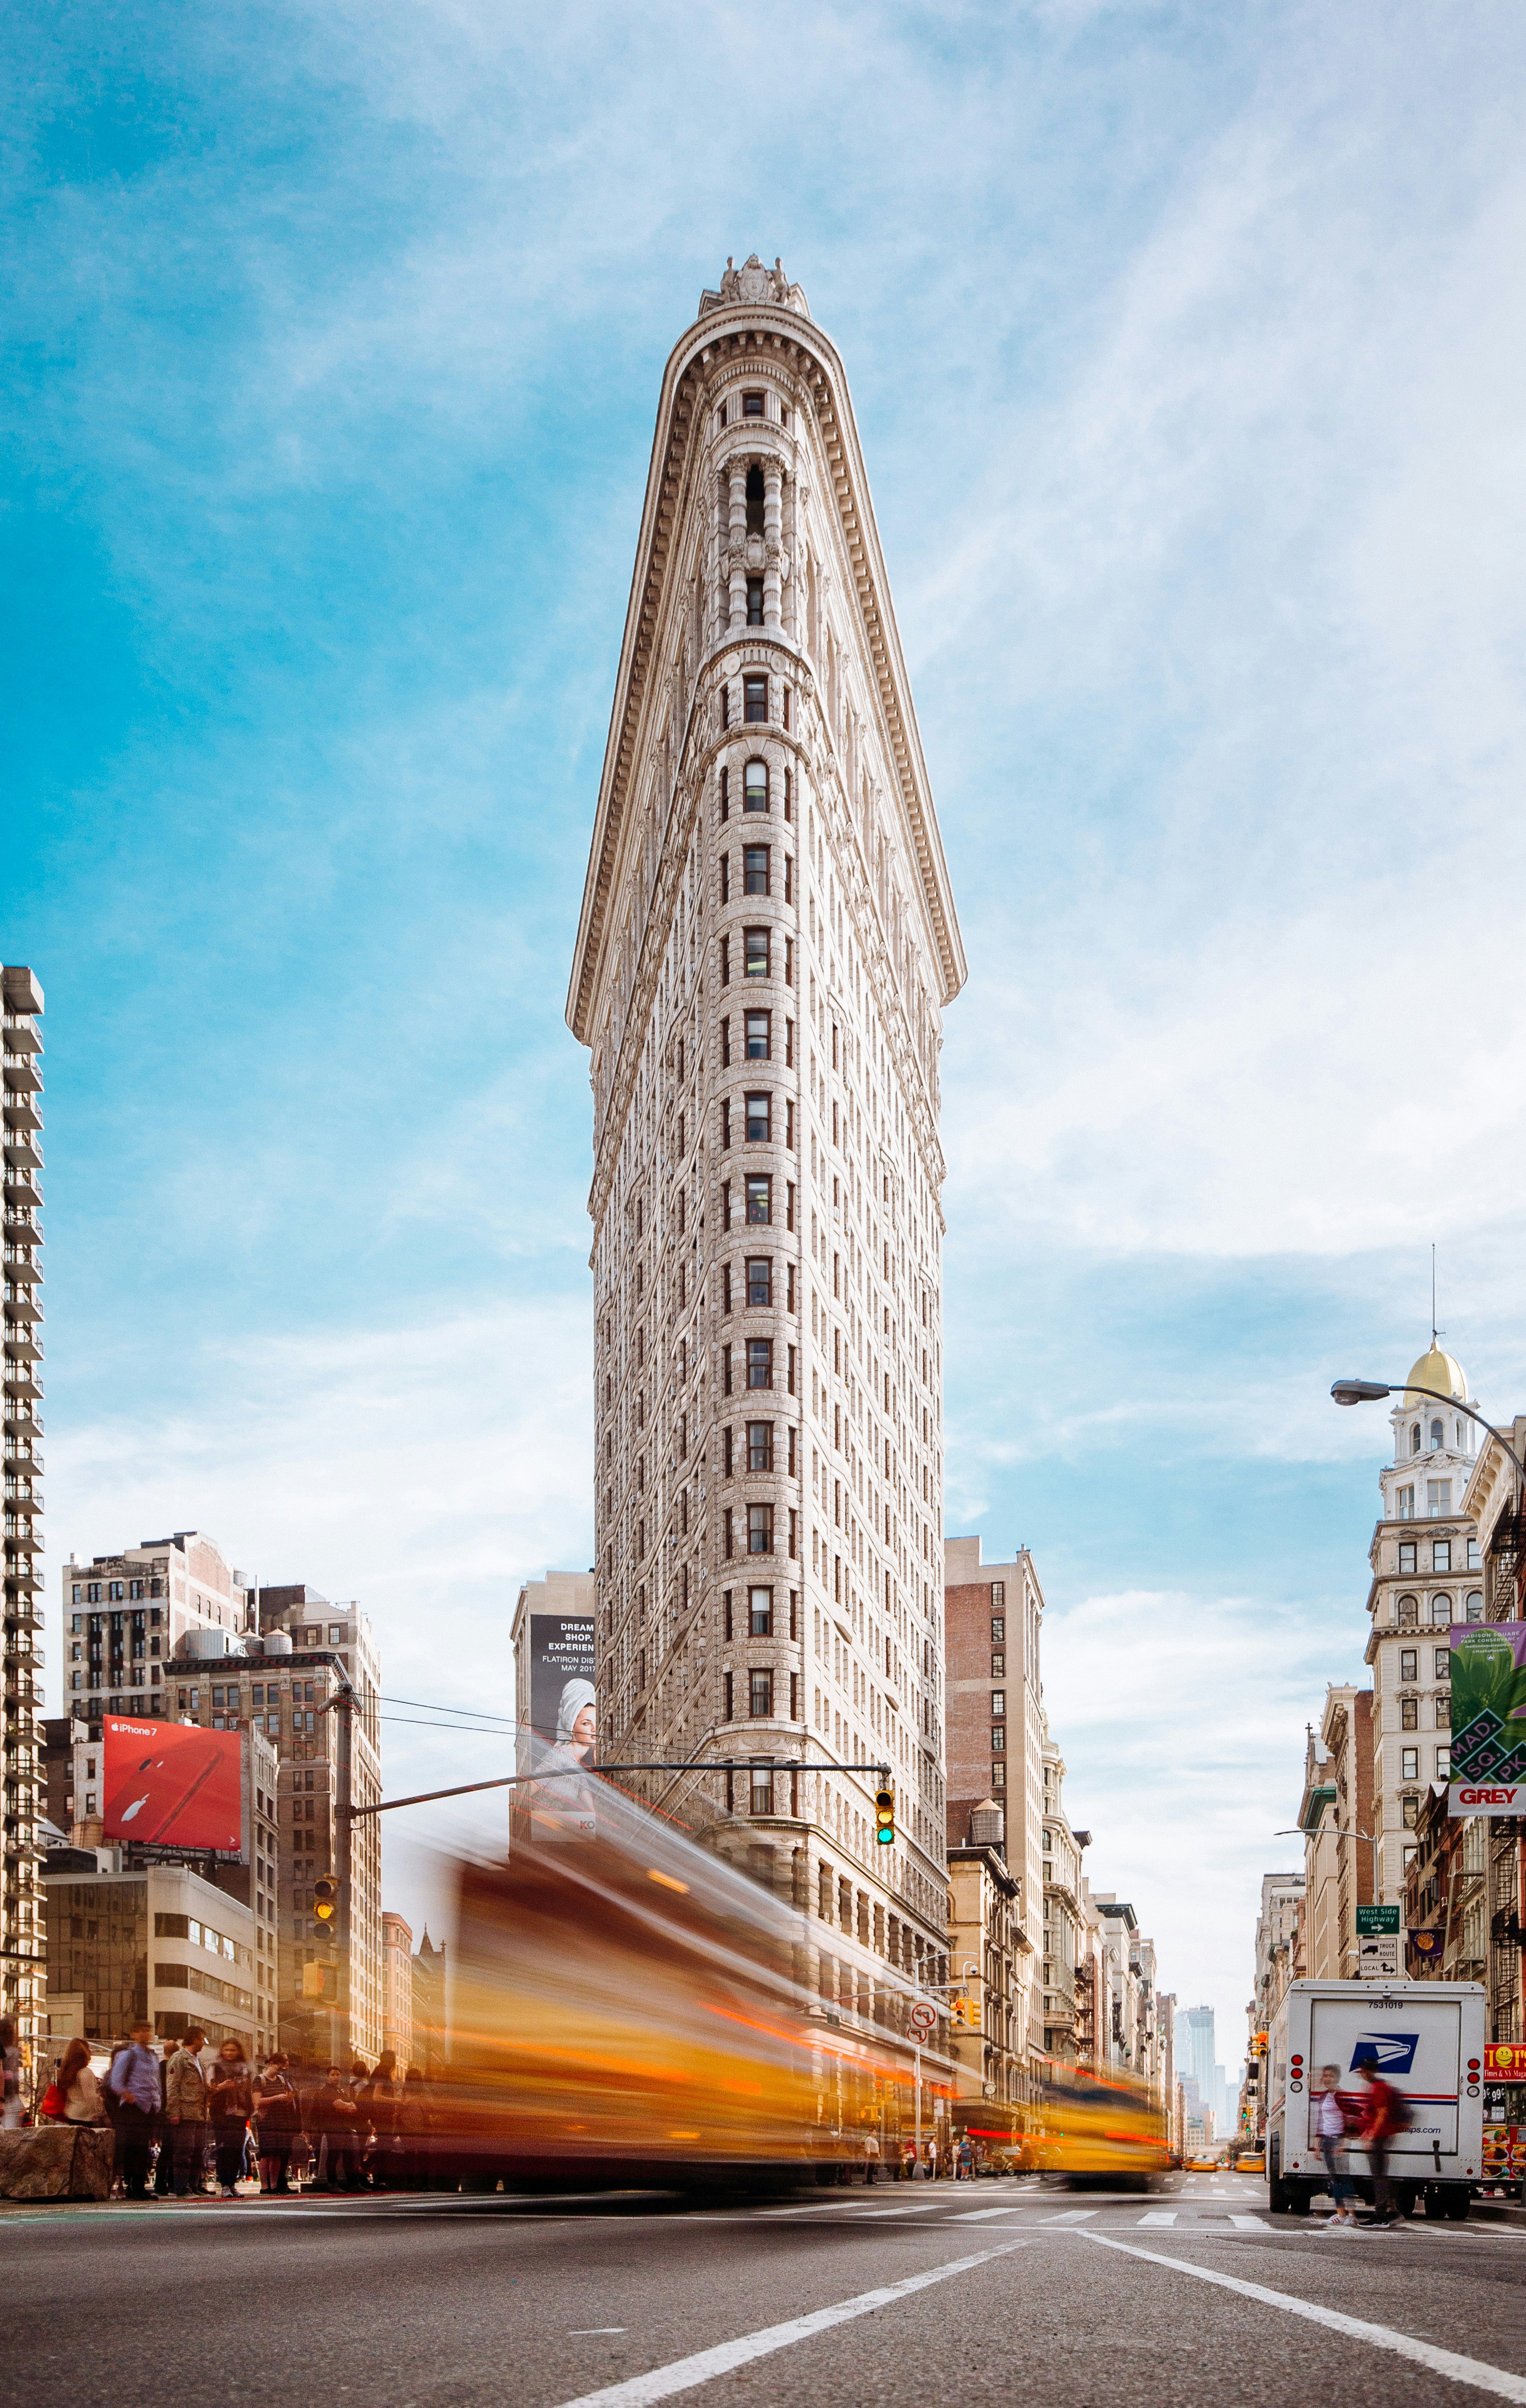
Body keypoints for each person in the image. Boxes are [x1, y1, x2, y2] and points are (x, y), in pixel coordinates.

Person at [108, 2021, 161, 2199]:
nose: (146, 2034)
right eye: (141, 2031)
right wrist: (126, 2094)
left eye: (148, 2030)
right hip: (133, 2108)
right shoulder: (128, 2055)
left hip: (149, 2107)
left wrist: (158, 2102)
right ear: (134, 2034)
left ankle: (138, 2186)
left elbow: (156, 2081)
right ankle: (131, 2186)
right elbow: (115, 2080)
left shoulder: (153, 2056)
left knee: (143, 2149)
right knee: (133, 2148)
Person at [1356, 2056, 1408, 2228]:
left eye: (1363, 2071)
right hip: (1381, 2135)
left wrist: (1371, 2135)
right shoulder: (1377, 2086)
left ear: (1369, 2071)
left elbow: (1382, 2114)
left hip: (1380, 2136)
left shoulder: (1378, 2088)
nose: (1361, 2074)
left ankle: (1381, 2215)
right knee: (1381, 2175)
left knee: (1378, 2176)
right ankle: (1392, 2213)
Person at [165, 2028, 210, 2196]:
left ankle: (194, 2185)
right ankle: (181, 2187)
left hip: (199, 2112)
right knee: (185, 2150)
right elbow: (173, 2086)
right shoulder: (179, 2058)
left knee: (198, 2150)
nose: (204, 2045)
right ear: (196, 2039)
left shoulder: (198, 2061)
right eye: (203, 2040)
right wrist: (174, 2112)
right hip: (185, 2111)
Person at [207, 2038, 253, 2198]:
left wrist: (251, 2110)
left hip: (240, 2113)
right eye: (226, 2050)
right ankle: (225, 2185)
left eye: (233, 2050)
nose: (230, 2053)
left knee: (236, 2150)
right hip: (222, 2114)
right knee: (224, 2150)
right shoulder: (215, 2067)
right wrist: (222, 2087)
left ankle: (232, 2184)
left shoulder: (246, 2068)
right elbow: (208, 2090)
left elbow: (250, 2090)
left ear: (239, 2051)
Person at [1314, 2065, 1358, 2231]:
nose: (1327, 2079)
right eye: (1325, 2076)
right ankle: (1341, 2214)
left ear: (1338, 2078)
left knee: (1344, 2178)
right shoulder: (1324, 2096)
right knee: (1334, 2180)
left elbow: (1351, 2118)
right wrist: (1318, 2146)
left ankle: (1352, 2215)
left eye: (1331, 2076)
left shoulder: (1343, 2095)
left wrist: (1345, 2142)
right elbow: (1321, 2121)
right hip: (1327, 2141)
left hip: (1339, 2140)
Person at [253, 2051, 301, 2193]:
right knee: (267, 2153)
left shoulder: (281, 2080)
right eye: (278, 2068)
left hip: (281, 2119)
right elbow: (257, 2102)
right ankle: (265, 2186)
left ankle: (274, 2185)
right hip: (266, 2120)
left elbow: (284, 2097)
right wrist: (276, 2098)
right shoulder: (259, 2079)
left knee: (278, 2154)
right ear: (271, 2064)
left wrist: (287, 2099)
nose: (280, 2072)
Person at [310, 2064, 360, 2190]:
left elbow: (353, 2107)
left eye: (338, 2075)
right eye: (333, 2075)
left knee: (349, 2155)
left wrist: (345, 2106)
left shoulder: (341, 2091)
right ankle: (332, 2183)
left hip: (345, 2126)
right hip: (333, 2127)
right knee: (334, 2155)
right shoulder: (326, 2091)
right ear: (328, 2077)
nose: (336, 2077)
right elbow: (338, 2104)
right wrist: (345, 2106)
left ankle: (353, 2184)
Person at [398, 2066, 431, 2190]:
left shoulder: (403, 2092)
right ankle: (424, 2183)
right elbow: (431, 2108)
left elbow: (398, 2108)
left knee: (410, 2155)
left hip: (408, 2126)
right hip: (421, 2126)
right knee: (423, 2155)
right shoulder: (424, 2092)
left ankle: (411, 2183)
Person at [1, 2016, 22, 2129]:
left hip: (6, 2099)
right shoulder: (12, 2052)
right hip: (9, 2100)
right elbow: (12, 2078)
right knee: (11, 2135)